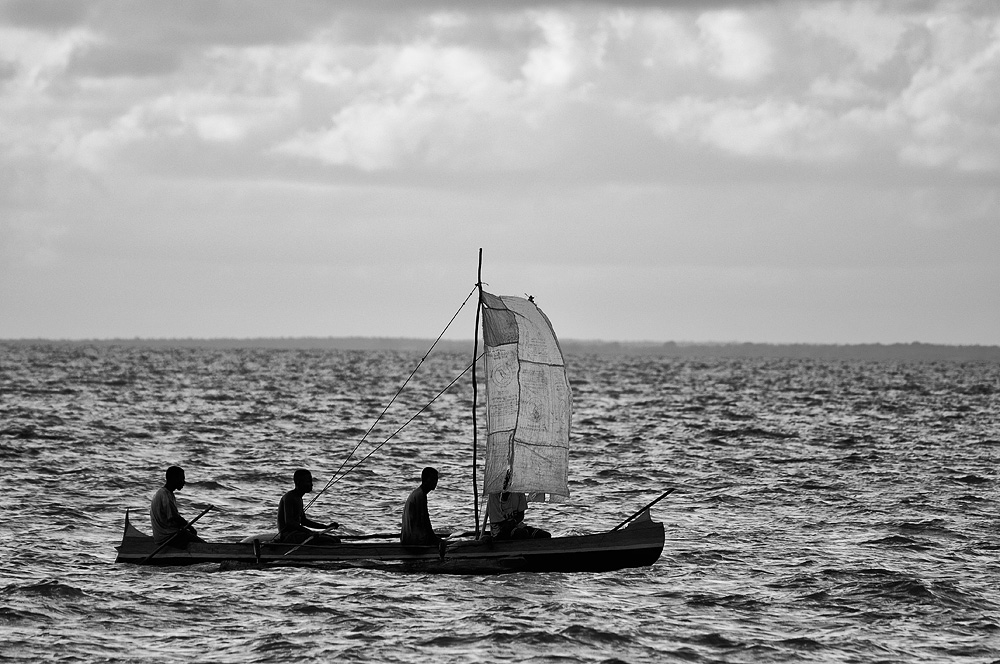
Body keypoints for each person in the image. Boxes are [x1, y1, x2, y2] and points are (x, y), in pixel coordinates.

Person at [276, 469, 341, 545]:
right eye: (308, 481)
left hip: (297, 534)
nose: (311, 484)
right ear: (299, 483)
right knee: (330, 541)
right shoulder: (289, 497)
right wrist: (310, 532)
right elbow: (289, 522)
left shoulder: (299, 498)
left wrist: (326, 527)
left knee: (336, 539)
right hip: (288, 536)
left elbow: (304, 521)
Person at [150, 466, 206, 547]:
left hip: (162, 536)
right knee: (202, 545)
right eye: (182, 479)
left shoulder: (164, 493)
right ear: (174, 479)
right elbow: (174, 517)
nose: (184, 482)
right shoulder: (165, 495)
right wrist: (190, 527)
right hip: (167, 537)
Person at [401, 467, 442, 546]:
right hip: (413, 541)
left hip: (407, 538)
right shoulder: (420, 495)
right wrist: (434, 538)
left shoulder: (417, 493)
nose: (435, 482)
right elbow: (425, 520)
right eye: (432, 479)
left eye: (436, 479)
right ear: (425, 480)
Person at [486, 491, 551, 540]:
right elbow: (500, 523)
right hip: (499, 531)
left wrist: (514, 521)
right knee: (522, 533)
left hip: (517, 525)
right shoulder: (493, 495)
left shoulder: (518, 492)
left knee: (544, 535)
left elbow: (521, 515)